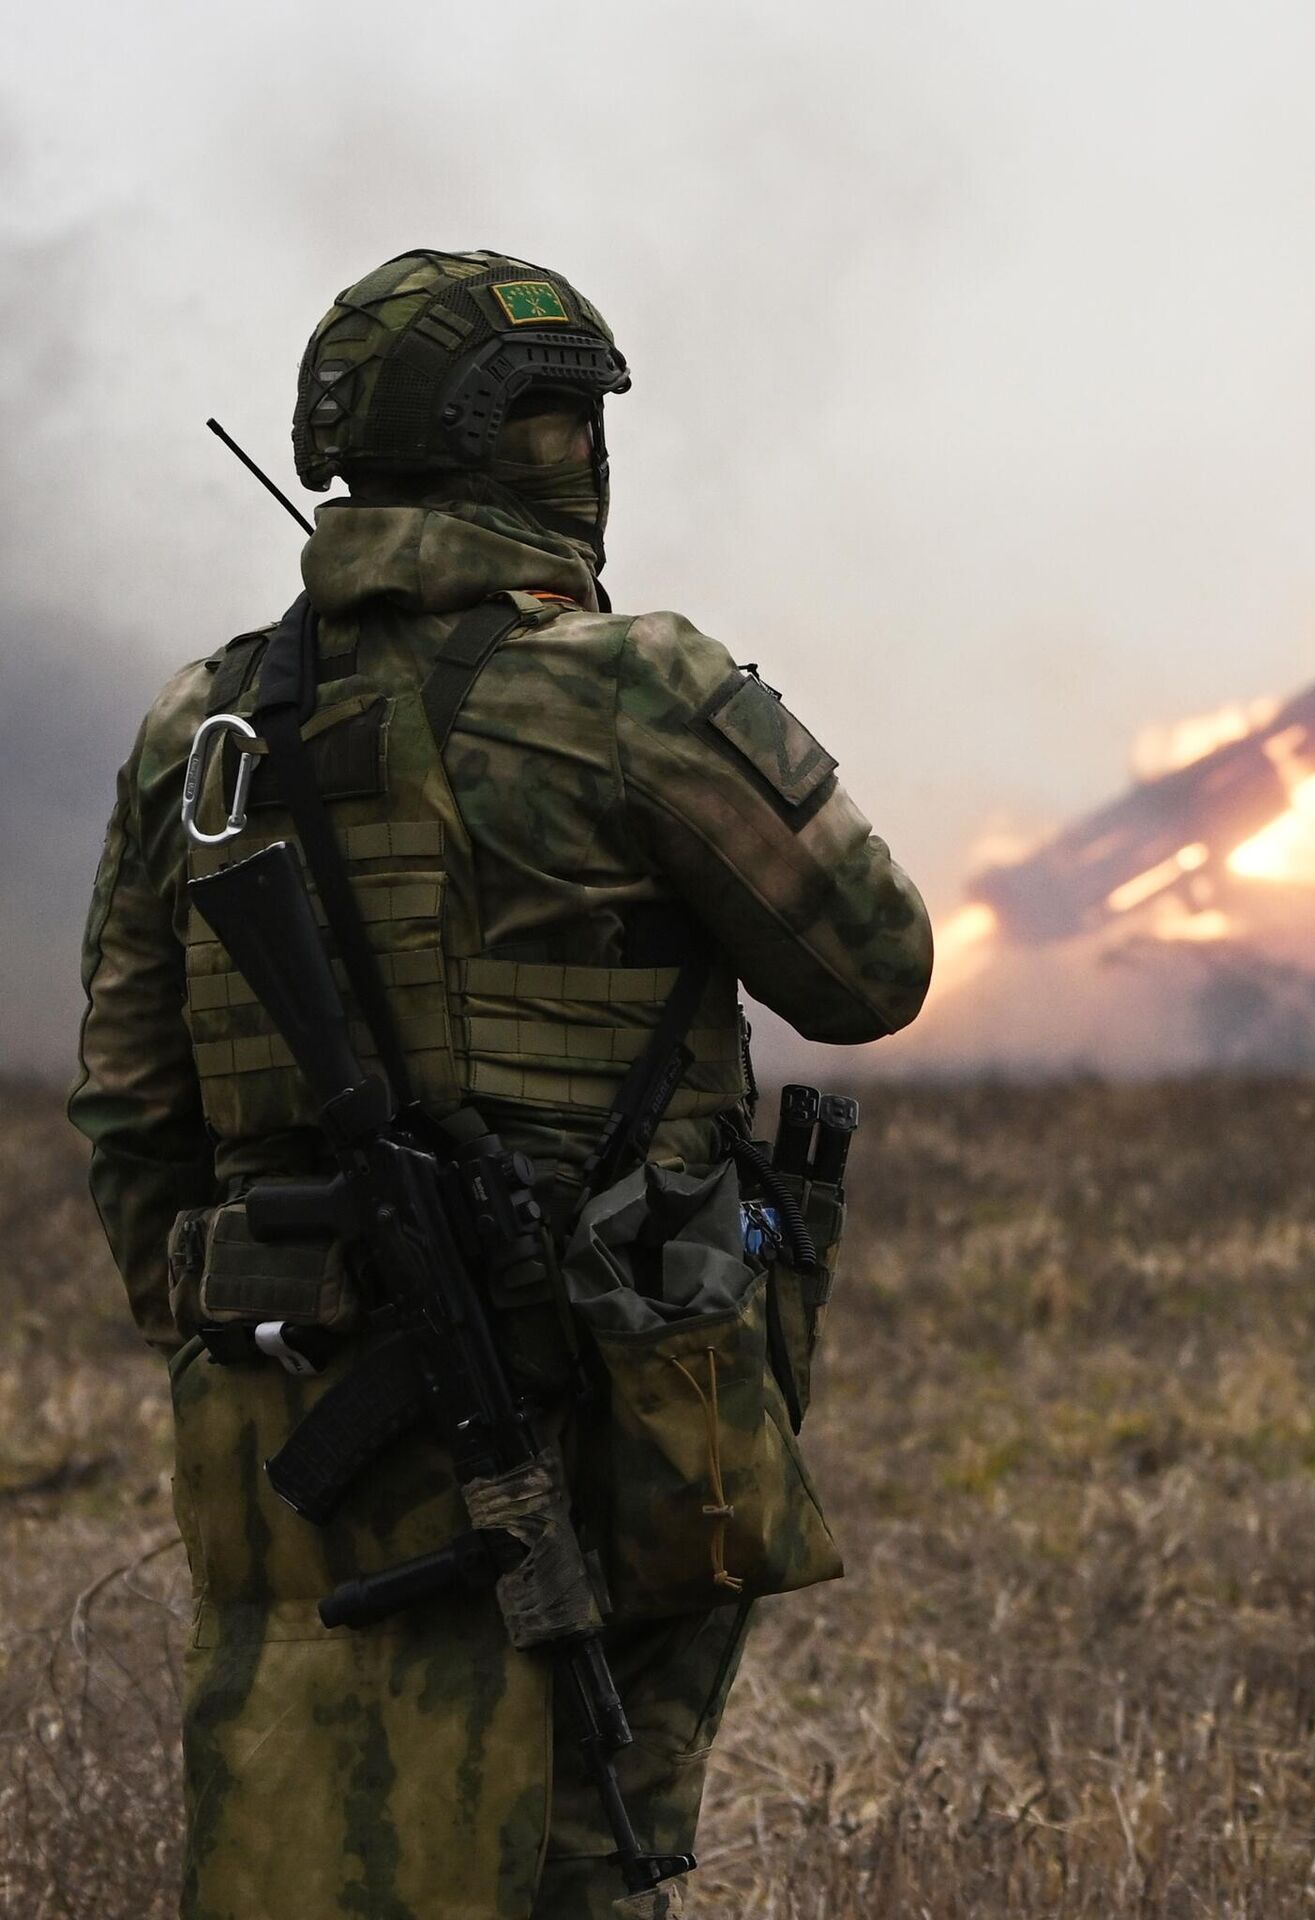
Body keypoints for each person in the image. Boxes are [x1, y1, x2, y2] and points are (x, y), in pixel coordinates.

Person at [68, 248, 934, 1919]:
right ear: (544, 445)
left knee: (301, 1827)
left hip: (281, 1393)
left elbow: (131, 1107)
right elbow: (873, 968)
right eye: (575, 421)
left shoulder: (205, 727)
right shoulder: (632, 691)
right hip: (617, 1386)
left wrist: (254, 1302)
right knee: (581, 1836)